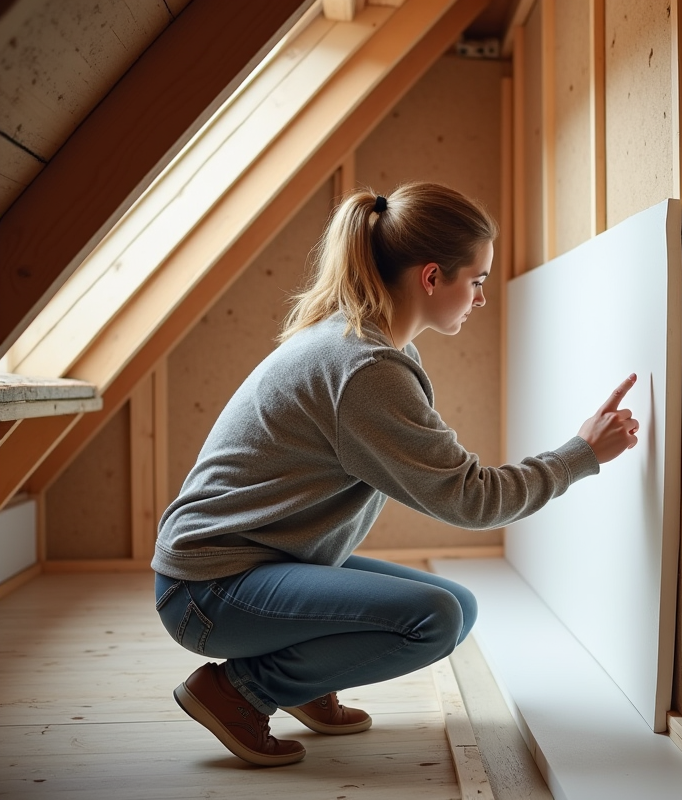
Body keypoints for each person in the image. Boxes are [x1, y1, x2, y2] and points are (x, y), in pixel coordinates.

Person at [151, 183, 639, 767]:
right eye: (477, 279)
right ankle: (239, 691)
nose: (482, 297)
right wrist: (581, 453)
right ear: (432, 278)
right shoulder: (365, 370)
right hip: (209, 590)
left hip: (256, 561)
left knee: (457, 604)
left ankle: (295, 681)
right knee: (434, 619)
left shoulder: (361, 340)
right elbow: (471, 500)